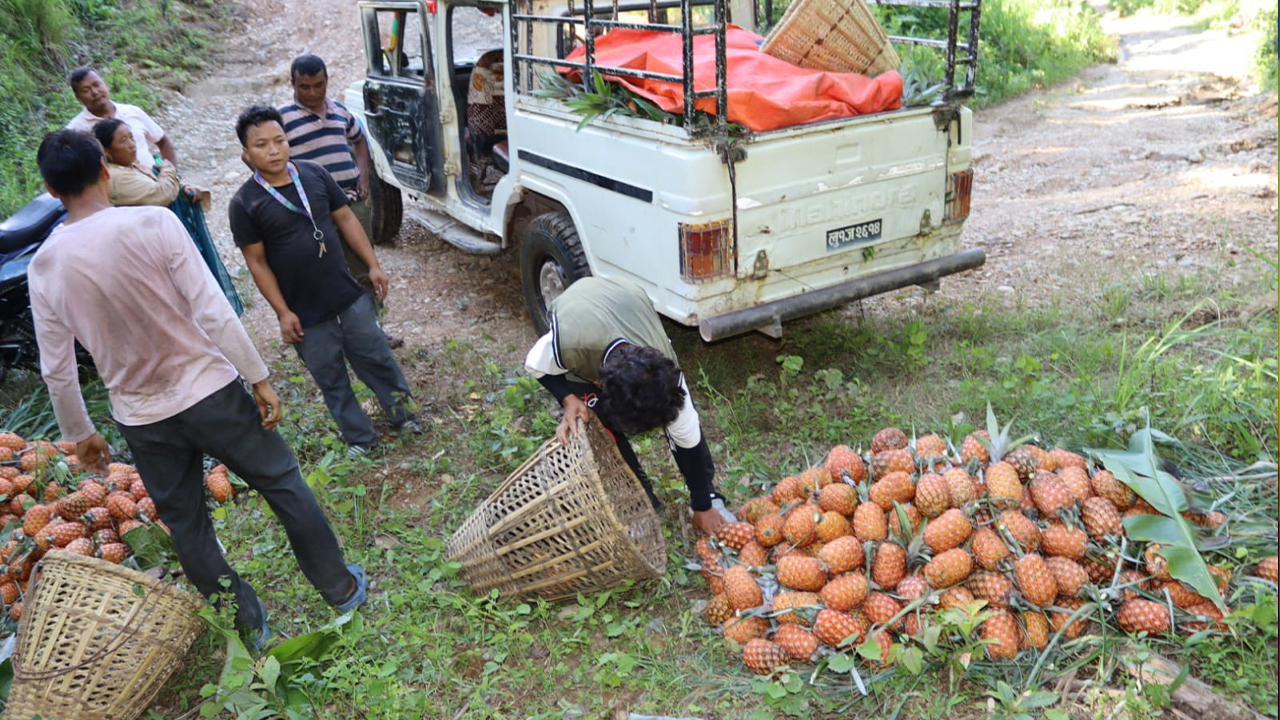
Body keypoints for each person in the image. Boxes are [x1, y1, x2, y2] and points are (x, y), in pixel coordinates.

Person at [28, 129, 366, 648]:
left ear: (52, 191)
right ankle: (340, 589)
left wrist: (80, 433)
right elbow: (211, 308)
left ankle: (247, 627)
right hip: (210, 391)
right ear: (104, 170)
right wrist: (257, 376)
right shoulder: (152, 222)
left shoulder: (45, 265)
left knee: (187, 525)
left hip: (142, 417)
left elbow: (57, 367)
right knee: (282, 483)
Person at [229, 105, 419, 456]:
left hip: (347, 293)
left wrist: (373, 265)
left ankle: (404, 415)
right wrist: (283, 312)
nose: (273, 151)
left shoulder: (314, 174)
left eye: (279, 140)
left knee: (376, 356)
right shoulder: (245, 203)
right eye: (261, 145)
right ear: (246, 153)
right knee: (331, 377)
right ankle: (360, 438)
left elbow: (346, 219)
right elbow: (256, 263)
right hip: (304, 311)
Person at [523, 277, 736, 536]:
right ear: (597, 383)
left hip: (625, 297)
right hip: (580, 305)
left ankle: (708, 495)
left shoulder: (665, 372)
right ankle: (642, 503)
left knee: (684, 428)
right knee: (601, 426)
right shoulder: (570, 345)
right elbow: (535, 364)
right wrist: (568, 399)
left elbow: (688, 438)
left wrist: (703, 504)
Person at [278, 55, 401, 345]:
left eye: (318, 85)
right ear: (292, 84)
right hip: (309, 211)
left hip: (349, 203)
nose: (312, 92)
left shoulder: (340, 111)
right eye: (304, 87)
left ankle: (373, 332)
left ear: (326, 81)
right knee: (317, 271)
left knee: (363, 267)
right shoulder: (281, 118)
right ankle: (329, 335)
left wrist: (364, 175)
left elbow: (359, 139)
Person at [93, 118, 243, 316]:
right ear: (107, 151)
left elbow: (160, 185)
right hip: (154, 252)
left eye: (131, 137)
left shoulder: (132, 166)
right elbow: (161, 194)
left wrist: (183, 188)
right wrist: (169, 169)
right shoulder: (117, 177)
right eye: (123, 140)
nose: (132, 144)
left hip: (166, 244)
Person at [66, 66, 177, 168]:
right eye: (86, 90)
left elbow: (163, 141)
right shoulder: (76, 130)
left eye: (97, 85)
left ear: (106, 84)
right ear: (78, 98)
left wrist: (173, 174)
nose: (95, 92)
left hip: (154, 180)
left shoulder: (132, 112)